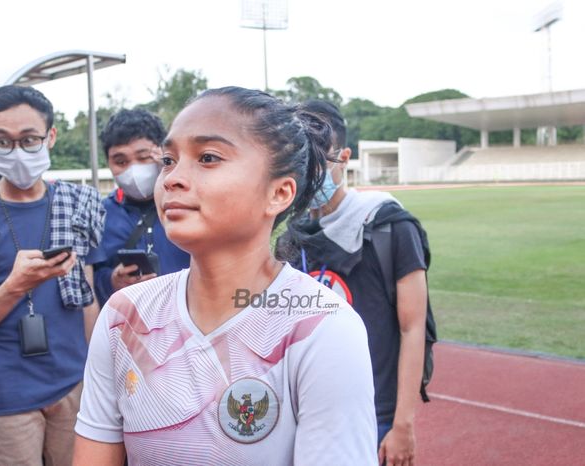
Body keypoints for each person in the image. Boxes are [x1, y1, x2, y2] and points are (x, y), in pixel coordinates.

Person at [73, 87, 377, 465]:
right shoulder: (124, 318)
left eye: (208, 157)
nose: (172, 179)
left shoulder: (321, 328)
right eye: (168, 159)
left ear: (279, 193)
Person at [0, 85, 105, 466]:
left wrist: (96, 372)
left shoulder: (77, 204)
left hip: (73, 388)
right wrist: (16, 286)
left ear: (51, 137)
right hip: (4, 402)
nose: (17, 151)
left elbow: (87, 296)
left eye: (29, 140)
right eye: (3, 141)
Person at [276, 100, 428, 466]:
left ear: (344, 157)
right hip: (309, 410)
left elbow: (412, 326)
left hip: (376, 412)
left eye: (320, 161)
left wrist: (403, 424)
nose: (311, 173)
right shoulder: (291, 235)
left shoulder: (390, 225)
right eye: (300, 161)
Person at [93, 109, 190, 307]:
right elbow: (90, 277)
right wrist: (111, 280)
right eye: (120, 161)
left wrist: (172, 168)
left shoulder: (189, 205)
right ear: (109, 163)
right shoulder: (100, 214)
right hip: (129, 324)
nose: (133, 169)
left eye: (144, 157)